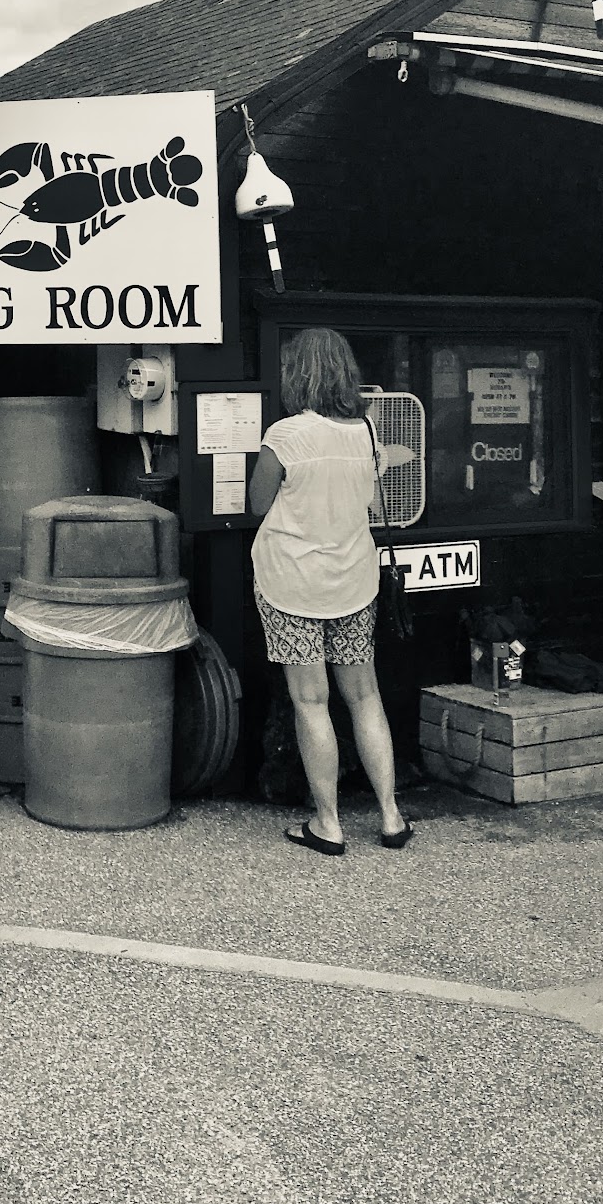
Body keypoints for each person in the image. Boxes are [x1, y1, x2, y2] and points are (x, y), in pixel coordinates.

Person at [249, 327, 412, 855]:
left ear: (298, 374)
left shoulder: (286, 436)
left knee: (310, 701)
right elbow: (376, 493)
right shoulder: (366, 430)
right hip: (353, 581)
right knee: (365, 696)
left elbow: (256, 503)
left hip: (292, 583)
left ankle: (328, 824)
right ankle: (391, 817)